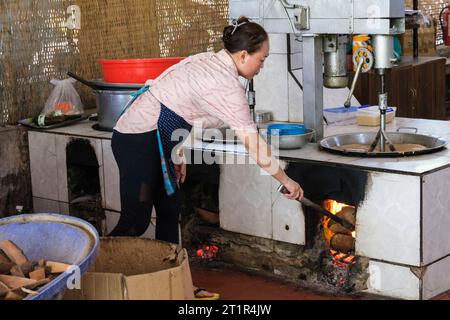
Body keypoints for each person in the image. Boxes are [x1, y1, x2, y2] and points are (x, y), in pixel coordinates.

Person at [109, 16, 304, 299]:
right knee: (135, 221)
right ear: (243, 55)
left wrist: (175, 149)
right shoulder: (224, 83)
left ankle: (175, 288)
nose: (262, 67)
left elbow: (177, 103)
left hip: (157, 139)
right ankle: (95, 276)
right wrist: (286, 180)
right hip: (137, 139)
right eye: (261, 60)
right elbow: (255, 147)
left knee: (169, 209)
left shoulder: (211, 61)